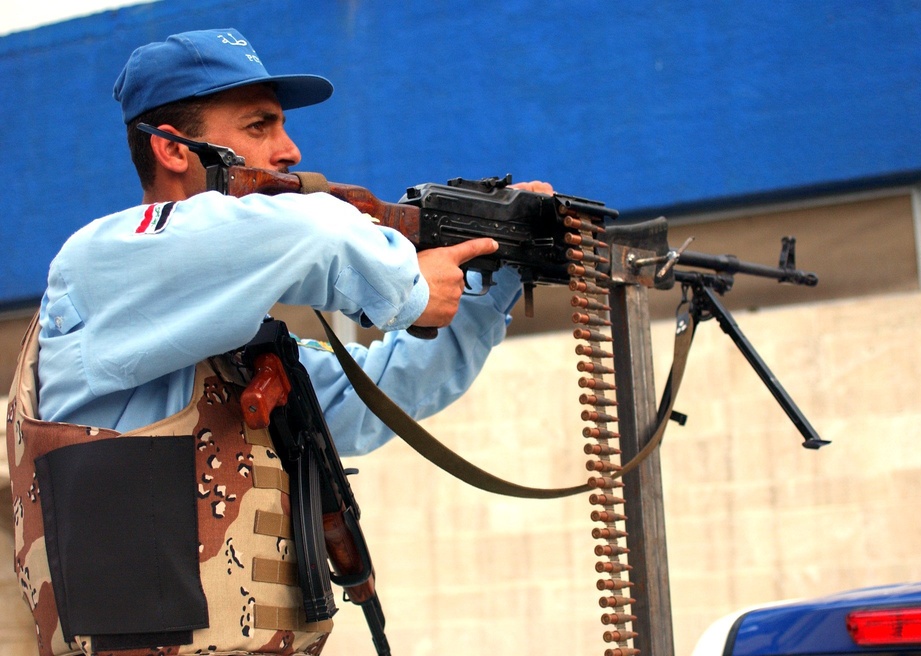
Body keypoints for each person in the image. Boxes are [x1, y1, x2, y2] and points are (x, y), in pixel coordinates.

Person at [7, 28, 546, 656]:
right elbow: (310, 227)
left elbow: (388, 390)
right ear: (172, 148)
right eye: (259, 127)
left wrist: (496, 266)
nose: (289, 150)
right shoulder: (100, 263)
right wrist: (407, 282)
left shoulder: (236, 343)